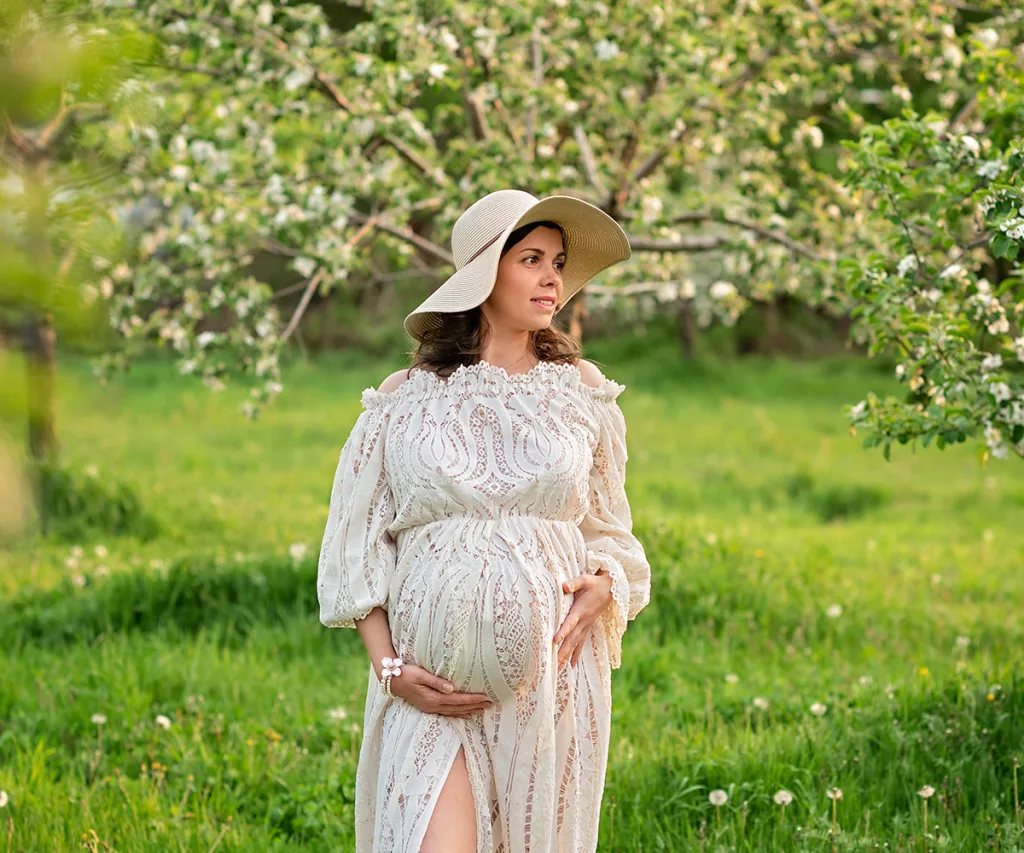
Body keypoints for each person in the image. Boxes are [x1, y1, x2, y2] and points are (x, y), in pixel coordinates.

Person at [316, 188, 652, 853]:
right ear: (484, 274)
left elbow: (614, 534)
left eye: (558, 260)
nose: (553, 276)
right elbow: (355, 551)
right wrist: (390, 670)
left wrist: (606, 583)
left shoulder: (580, 390)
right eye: (531, 258)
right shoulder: (402, 398)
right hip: (427, 694)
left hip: (549, 690)